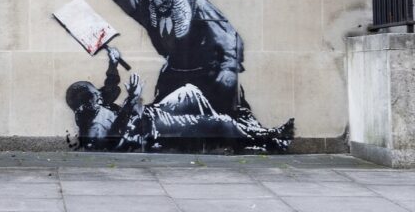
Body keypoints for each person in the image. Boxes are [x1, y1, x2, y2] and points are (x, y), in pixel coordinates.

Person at [66, 47, 294, 152]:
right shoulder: (94, 124)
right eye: (95, 93)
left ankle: (242, 132)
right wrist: (131, 100)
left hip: (150, 114)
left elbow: (110, 87)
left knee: (189, 92)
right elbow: (110, 144)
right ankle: (264, 139)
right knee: (219, 123)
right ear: (87, 102)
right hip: (152, 126)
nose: (100, 93)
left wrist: (113, 62)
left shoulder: (97, 105)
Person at [103, 0, 244, 114]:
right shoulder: (150, 7)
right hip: (174, 75)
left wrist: (228, 69)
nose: (159, 3)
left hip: (206, 77)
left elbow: (226, 36)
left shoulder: (194, 2)